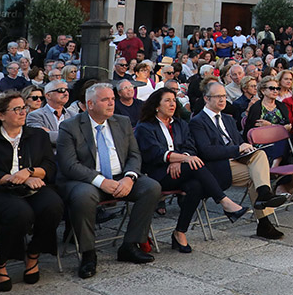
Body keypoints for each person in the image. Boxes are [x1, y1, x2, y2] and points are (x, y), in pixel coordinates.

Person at [56, 83, 162, 279]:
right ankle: (88, 254)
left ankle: (130, 245)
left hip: (120, 176)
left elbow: (134, 155)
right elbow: (69, 165)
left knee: (151, 187)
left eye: (112, 99)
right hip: (86, 180)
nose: (111, 103)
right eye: (105, 100)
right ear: (90, 104)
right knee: (83, 197)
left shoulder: (122, 122)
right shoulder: (70, 126)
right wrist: (100, 181)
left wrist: (130, 178)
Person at [134, 89, 249, 252]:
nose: (173, 103)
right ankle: (224, 201)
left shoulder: (180, 123)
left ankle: (179, 232)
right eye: (167, 100)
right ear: (156, 106)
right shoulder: (145, 127)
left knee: (196, 186)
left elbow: (190, 146)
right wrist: (181, 158)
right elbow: (154, 153)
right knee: (196, 164)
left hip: (182, 169)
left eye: (174, 100)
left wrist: (182, 158)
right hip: (158, 174)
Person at [0, 92, 63, 291]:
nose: (23, 112)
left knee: (53, 205)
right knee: (20, 213)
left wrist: (30, 172)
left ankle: (33, 254)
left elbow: (49, 165)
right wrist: (16, 179)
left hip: (31, 187)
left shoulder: (38, 135)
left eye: (24, 107)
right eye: (17, 109)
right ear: (1, 116)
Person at [189, 81, 286, 237]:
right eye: (217, 97)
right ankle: (264, 219)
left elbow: (238, 141)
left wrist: (246, 147)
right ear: (206, 98)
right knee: (258, 175)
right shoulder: (197, 122)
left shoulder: (227, 119)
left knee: (259, 156)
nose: (222, 100)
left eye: (224, 96)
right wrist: (237, 149)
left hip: (236, 161)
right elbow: (207, 152)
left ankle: (264, 196)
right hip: (216, 167)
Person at [243, 78, 291, 166]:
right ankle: (274, 168)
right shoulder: (256, 107)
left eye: (277, 88)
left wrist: (270, 125)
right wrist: (279, 128)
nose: (275, 91)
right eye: (272, 88)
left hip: (279, 140)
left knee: (282, 140)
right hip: (262, 143)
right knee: (281, 139)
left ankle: (274, 166)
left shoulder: (282, 106)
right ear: (263, 91)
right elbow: (253, 130)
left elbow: (288, 126)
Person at [25, 80, 77, 146]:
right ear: (48, 95)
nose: (66, 93)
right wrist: (72, 136)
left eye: (67, 90)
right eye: (61, 90)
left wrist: (51, 133)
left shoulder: (74, 115)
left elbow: (81, 137)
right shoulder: (35, 115)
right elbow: (42, 136)